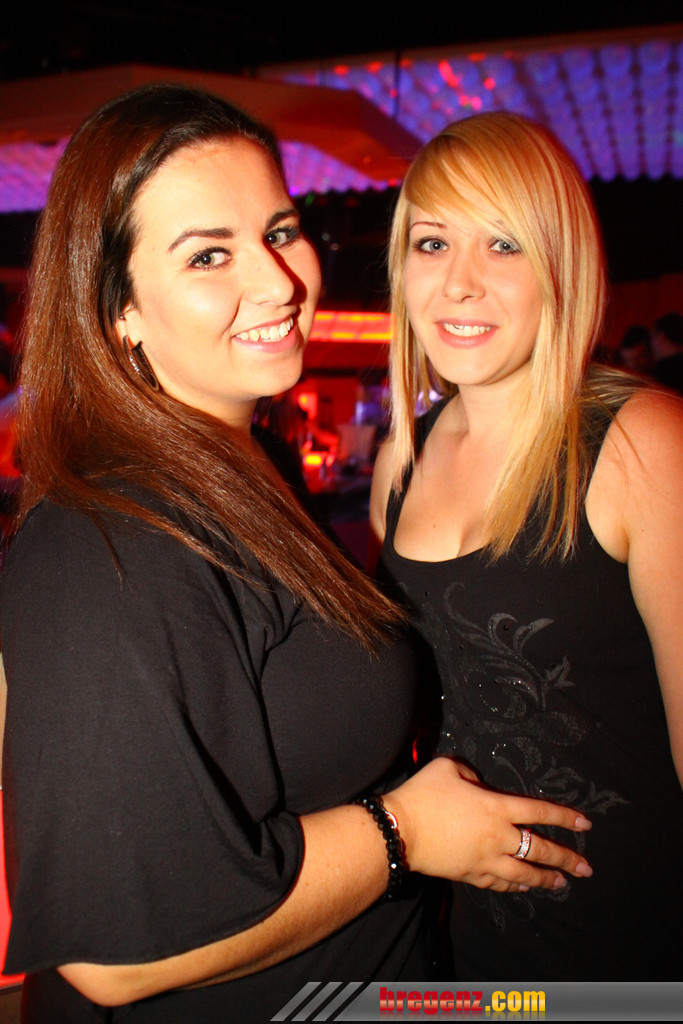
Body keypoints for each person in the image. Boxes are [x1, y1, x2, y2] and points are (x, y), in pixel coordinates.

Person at [0, 88, 593, 1022]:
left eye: (279, 232)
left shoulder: (250, 465)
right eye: (208, 255)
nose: (279, 282)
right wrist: (403, 834)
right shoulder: (108, 539)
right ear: (119, 311)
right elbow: (114, 958)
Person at [370, 112, 683, 981]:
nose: (459, 284)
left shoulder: (642, 443)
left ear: (561, 267)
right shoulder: (401, 460)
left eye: (502, 244)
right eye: (433, 243)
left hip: (638, 958)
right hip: (471, 949)